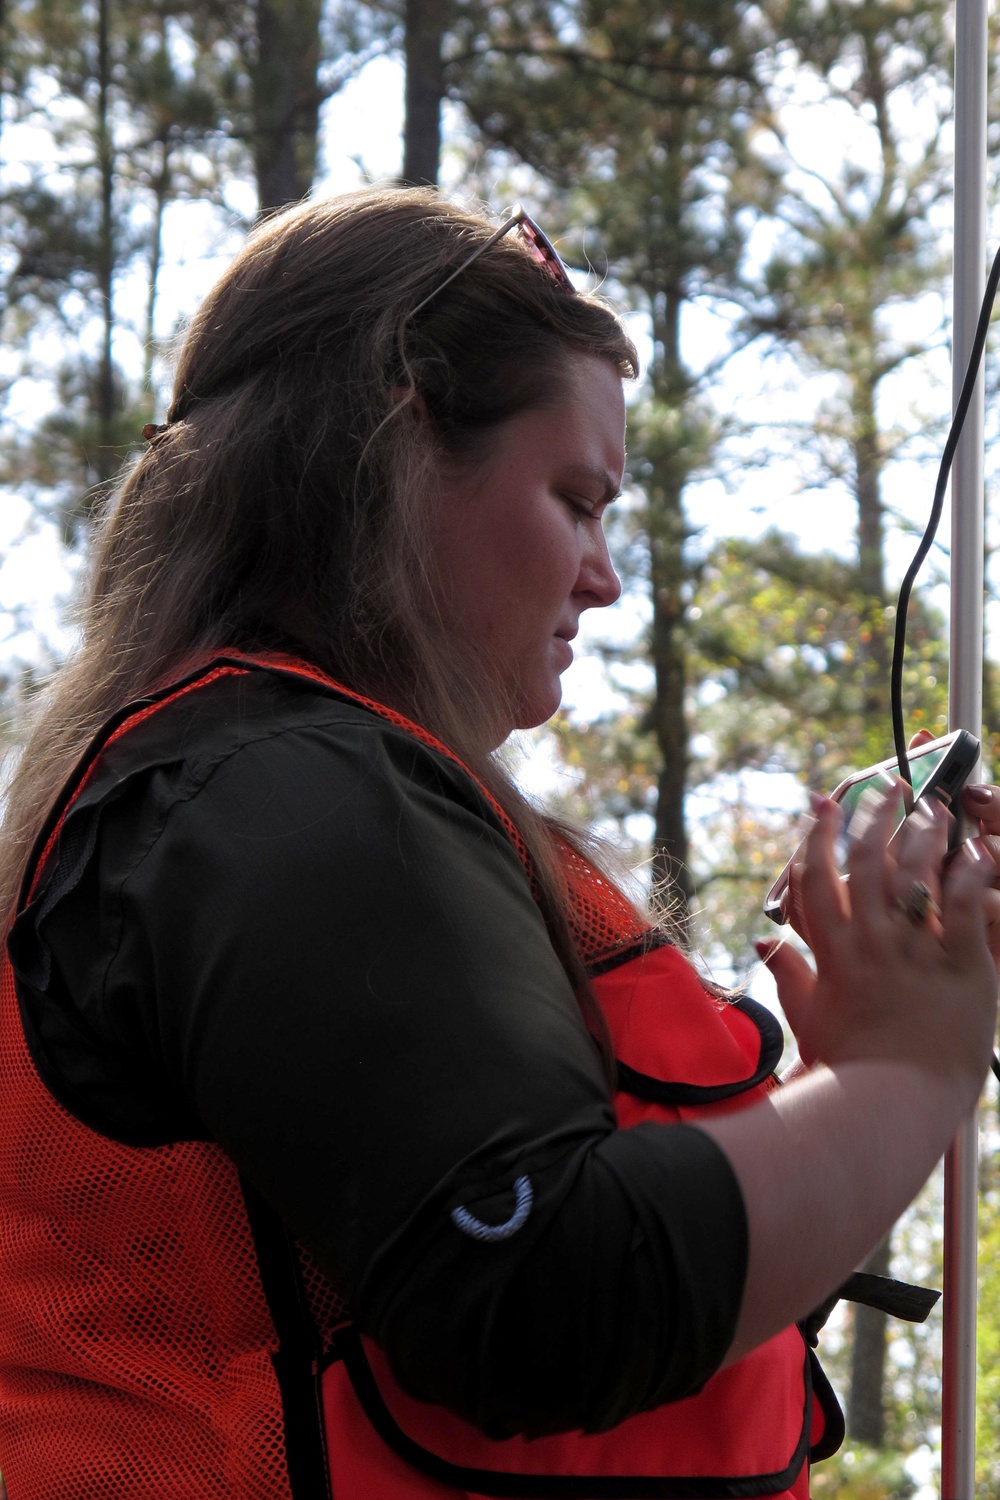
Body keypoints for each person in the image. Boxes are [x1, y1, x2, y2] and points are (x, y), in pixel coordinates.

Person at [0, 186, 996, 1500]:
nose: (605, 575)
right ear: (403, 438)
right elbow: (539, 1298)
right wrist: (907, 1078)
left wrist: (823, 1087)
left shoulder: (265, 791)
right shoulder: (283, 788)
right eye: (579, 499)